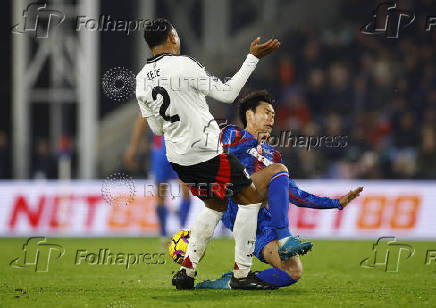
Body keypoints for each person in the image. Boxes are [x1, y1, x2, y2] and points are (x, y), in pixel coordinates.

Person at [136, 18, 281, 290]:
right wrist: (252, 58)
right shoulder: (184, 65)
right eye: (176, 35)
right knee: (251, 199)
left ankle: (186, 271)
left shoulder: (141, 79)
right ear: (170, 39)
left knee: (216, 205)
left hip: (179, 160)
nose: (178, 40)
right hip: (206, 153)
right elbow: (227, 94)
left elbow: (156, 128)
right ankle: (242, 275)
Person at [195, 90, 363, 289]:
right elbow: (220, 155)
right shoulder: (232, 134)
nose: (271, 119)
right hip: (236, 201)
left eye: (273, 115)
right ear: (249, 115)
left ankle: (232, 282)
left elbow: (294, 193)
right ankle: (285, 238)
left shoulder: (272, 155)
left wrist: (335, 203)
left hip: (262, 224)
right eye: (266, 113)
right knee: (278, 170)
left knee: (293, 272)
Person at [124, 113, 192, 236]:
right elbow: (141, 120)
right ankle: (163, 235)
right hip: (160, 150)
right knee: (160, 193)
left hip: (181, 149)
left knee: (186, 189)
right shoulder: (152, 98)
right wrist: (133, 148)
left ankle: (183, 231)